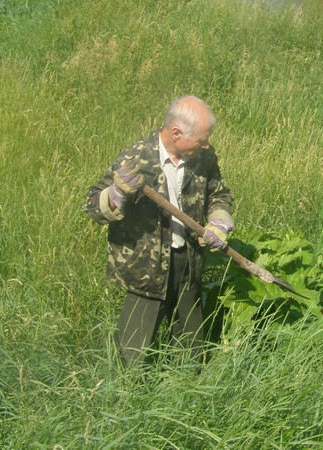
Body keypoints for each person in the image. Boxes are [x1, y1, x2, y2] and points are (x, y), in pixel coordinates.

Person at [84, 95, 234, 367]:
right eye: (201, 139)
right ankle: (132, 399)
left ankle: (189, 393)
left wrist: (219, 223)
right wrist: (117, 193)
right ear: (176, 134)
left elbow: (219, 194)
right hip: (147, 270)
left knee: (192, 351)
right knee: (133, 356)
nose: (206, 144)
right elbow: (93, 206)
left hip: (189, 262)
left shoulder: (203, 157)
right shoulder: (137, 157)